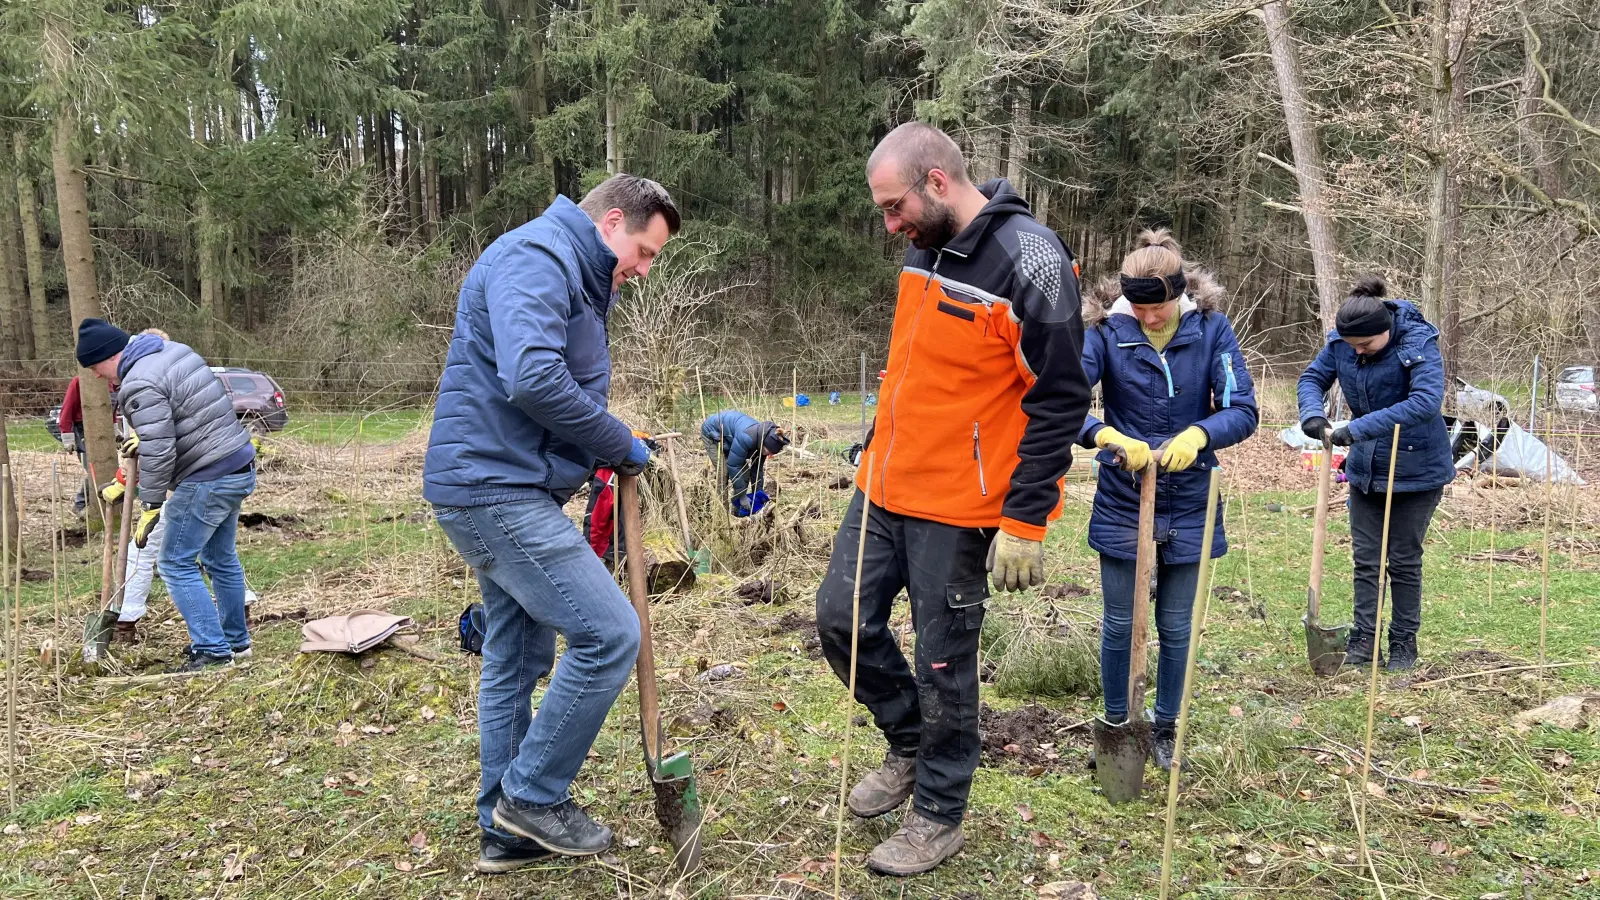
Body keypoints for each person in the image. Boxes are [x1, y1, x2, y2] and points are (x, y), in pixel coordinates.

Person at [813, 123, 1089, 876]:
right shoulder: (923, 247)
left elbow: (1061, 397)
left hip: (961, 504)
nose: (889, 224)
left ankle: (938, 813)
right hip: (884, 485)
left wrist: (1026, 517)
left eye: (894, 206)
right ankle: (907, 743)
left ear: (937, 182)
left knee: (944, 663)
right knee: (839, 621)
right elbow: (913, 367)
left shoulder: (1030, 260)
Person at [421, 174, 678, 873]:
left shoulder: (576, 274)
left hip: (507, 484)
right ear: (612, 221)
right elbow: (532, 377)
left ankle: (505, 832)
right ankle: (531, 795)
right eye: (645, 252)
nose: (645, 270)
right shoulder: (538, 257)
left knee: (515, 655)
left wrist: (600, 443)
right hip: (494, 491)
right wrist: (616, 442)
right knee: (609, 632)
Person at [1077, 230, 1258, 769]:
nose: (1148, 318)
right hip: (1122, 497)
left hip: (1192, 497)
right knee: (1118, 622)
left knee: (1176, 626)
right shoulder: (1105, 332)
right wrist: (1103, 435)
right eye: (1138, 307)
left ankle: (1165, 727)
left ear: (1178, 296)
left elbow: (1241, 408)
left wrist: (1200, 434)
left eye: (1157, 308)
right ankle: (1116, 720)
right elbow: (1062, 402)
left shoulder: (1212, 331)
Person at [77, 319, 257, 674]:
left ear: (110, 356)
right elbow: (190, 411)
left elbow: (160, 451)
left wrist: (152, 504)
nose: (97, 376)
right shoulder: (174, 352)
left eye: (95, 367)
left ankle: (213, 651)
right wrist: (145, 444)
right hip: (237, 463)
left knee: (174, 562)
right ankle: (237, 643)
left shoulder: (138, 382)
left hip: (208, 477)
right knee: (220, 558)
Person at [1297, 276, 1453, 672]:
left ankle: (1403, 645)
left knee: (1402, 560)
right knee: (1366, 560)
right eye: (1352, 347)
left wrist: (1359, 429)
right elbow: (1312, 378)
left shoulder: (1417, 344)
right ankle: (1364, 643)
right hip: (1366, 470)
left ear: (1385, 329)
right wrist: (1313, 413)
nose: (1357, 352)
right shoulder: (1341, 343)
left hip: (1417, 469)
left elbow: (1424, 402)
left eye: (1365, 345)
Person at [699, 409, 788, 515]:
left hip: (729, 439)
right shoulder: (747, 437)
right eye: (768, 452)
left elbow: (757, 469)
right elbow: (733, 465)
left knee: (744, 474)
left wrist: (758, 494)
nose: (769, 455)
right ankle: (723, 513)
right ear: (764, 444)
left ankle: (736, 510)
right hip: (713, 433)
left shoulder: (763, 440)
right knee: (723, 472)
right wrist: (742, 496)